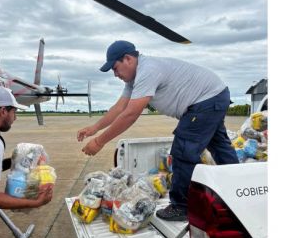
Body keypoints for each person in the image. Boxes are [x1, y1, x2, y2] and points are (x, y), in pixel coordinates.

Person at [77, 41, 238, 221]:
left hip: (206, 100)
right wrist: (94, 128)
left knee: (183, 150)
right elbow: (120, 107)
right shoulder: (135, 79)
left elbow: (131, 114)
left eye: (115, 68)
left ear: (128, 59)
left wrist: (99, 142)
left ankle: (181, 207)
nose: (115, 74)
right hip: (215, 95)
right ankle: (237, 188)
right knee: (219, 145)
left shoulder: (148, 71)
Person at [0, 85, 54, 209]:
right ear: (3, 111)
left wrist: (16, 160)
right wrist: (36, 202)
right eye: (14, 112)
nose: (15, 117)